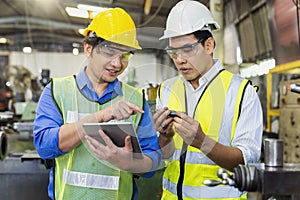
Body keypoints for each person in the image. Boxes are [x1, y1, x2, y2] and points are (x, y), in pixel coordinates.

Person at [33, 8, 161, 200]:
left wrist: (131, 162)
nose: (117, 64)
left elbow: (153, 160)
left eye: (125, 55)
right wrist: (99, 117)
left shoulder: (136, 99)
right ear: (88, 48)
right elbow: (44, 146)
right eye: (110, 52)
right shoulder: (57, 91)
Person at [153, 1, 263, 199]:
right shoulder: (167, 89)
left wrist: (203, 142)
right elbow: (164, 157)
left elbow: (246, 160)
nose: (179, 59)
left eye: (187, 50)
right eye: (174, 52)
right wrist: (164, 138)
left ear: (209, 45)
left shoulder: (241, 92)